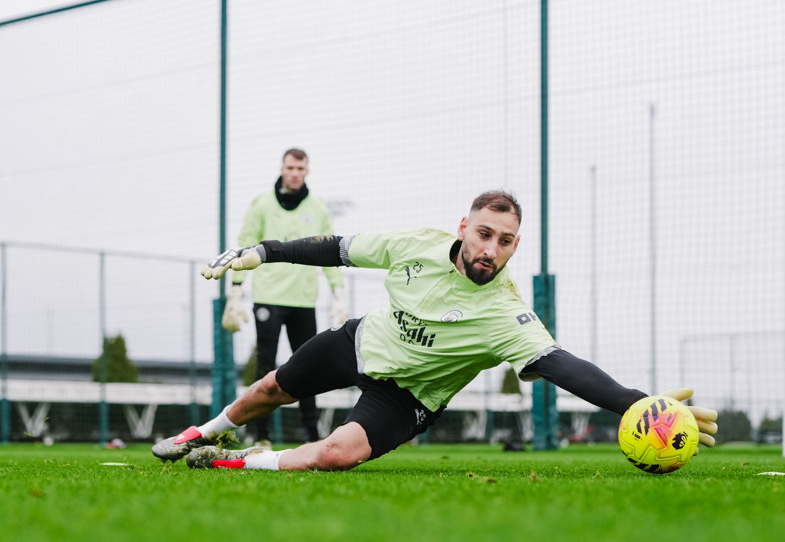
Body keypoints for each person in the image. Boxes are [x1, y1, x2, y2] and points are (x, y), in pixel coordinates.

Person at [153, 190, 718, 471]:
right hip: (363, 340)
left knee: (336, 454)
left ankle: (235, 462)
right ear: (463, 229)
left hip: (410, 394)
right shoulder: (414, 245)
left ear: (514, 247)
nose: (489, 250)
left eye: (504, 241)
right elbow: (336, 249)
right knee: (269, 388)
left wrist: (641, 405)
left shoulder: (506, 314)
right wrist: (264, 251)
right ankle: (198, 434)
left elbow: (564, 366)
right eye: (483, 234)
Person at [221, 148, 347, 445]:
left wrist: (338, 293)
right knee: (265, 366)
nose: (294, 173)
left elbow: (330, 250)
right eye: (290, 167)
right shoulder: (262, 205)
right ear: (282, 168)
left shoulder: (318, 208)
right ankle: (261, 436)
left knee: (309, 367)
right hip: (268, 297)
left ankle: (311, 436)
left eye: (300, 168)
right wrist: (235, 290)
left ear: (307, 171)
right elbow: (245, 245)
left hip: (303, 299)